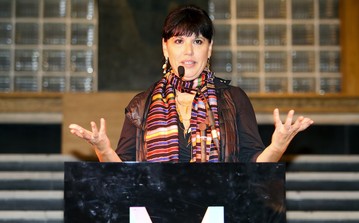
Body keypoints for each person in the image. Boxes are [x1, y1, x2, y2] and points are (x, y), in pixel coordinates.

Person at [69, 5, 313, 163]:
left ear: (209, 49)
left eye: (197, 41)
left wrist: (277, 146)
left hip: (218, 219)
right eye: (178, 41)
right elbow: (123, 174)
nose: (188, 51)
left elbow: (254, 168)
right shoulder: (141, 104)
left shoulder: (233, 99)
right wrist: (102, 149)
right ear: (165, 48)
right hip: (156, 220)